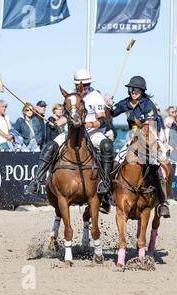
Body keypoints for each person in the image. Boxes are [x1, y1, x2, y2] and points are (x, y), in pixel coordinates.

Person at [25, 69, 115, 209]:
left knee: (107, 146)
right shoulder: (72, 96)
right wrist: (55, 123)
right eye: (82, 84)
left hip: (92, 132)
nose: (84, 87)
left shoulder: (95, 96)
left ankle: (106, 184)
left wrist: (88, 124)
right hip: (71, 132)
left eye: (86, 84)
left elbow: (103, 119)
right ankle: (36, 181)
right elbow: (66, 117)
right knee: (50, 147)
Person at [107, 76, 170, 218]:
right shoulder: (125, 103)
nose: (134, 92)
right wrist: (108, 105)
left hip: (149, 138)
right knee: (116, 162)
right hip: (131, 138)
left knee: (155, 166)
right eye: (132, 89)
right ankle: (107, 196)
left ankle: (162, 202)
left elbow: (151, 125)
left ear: (142, 91)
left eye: (137, 90)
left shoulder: (148, 105)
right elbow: (111, 112)